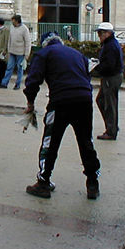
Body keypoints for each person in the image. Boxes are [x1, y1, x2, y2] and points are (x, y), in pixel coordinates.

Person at [23, 32, 101, 200]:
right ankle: (93, 183)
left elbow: (33, 80)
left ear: (44, 43)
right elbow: (88, 73)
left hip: (60, 101)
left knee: (50, 142)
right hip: (84, 100)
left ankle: (43, 182)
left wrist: (30, 102)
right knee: (86, 141)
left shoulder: (43, 54)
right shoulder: (77, 53)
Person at [93, 22, 124, 140]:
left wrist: (96, 68)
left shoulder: (110, 46)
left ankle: (111, 131)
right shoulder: (110, 44)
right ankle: (112, 126)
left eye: (100, 33)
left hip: (111, 77)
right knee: (104, 101)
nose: (99, 36)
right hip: (113, 76)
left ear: (107, 33)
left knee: (109, 103)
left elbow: (109, 65)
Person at [0, 14, 31, 90]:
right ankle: (4, 83)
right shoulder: (12, 27)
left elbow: (28, 42)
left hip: (21, 53)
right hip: (12, 52)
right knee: (9, 68)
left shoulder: (24, 29)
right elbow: (10, 39)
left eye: (13, 21)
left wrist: (26, 54)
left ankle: (17, 85)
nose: (12, 22)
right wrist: (7, 49)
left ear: (17, 21)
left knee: (19, 69)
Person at [0, 18, 9, 85]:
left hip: (1, 52)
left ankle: (0, 81)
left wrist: (4, 50)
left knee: (1, 67)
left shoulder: (5, 30)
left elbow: (6, 40)